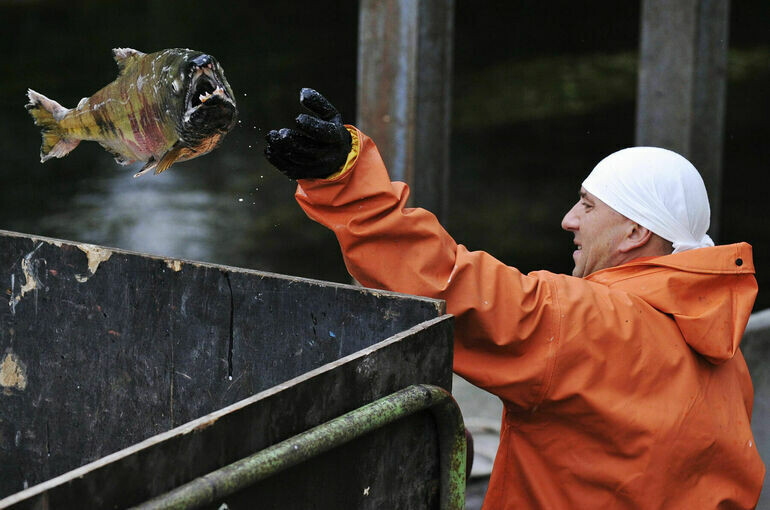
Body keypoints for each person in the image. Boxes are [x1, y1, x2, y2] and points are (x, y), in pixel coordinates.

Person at [264, 88, 765, 509]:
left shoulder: (587, 323)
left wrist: (345, 182)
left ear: (634, 232)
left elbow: (444, 281)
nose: (570, 219)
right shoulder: (727, 355)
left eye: (588, 205)